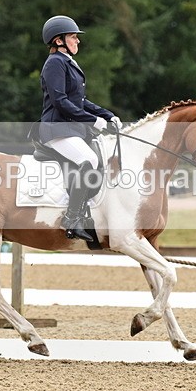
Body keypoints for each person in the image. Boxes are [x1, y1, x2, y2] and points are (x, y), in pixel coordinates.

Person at [39, 15, 121, 242]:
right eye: (73, 37)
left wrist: (107, 115)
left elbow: (80, 102)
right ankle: (72, 219)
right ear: (58, 40)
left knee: (97, 157)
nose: (78, 41)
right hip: (56, 128)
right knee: (89, 160)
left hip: (69, 129)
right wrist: (93, 121)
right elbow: (60, 102)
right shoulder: (55, 63)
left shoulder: (68, 63)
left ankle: (85, 213)